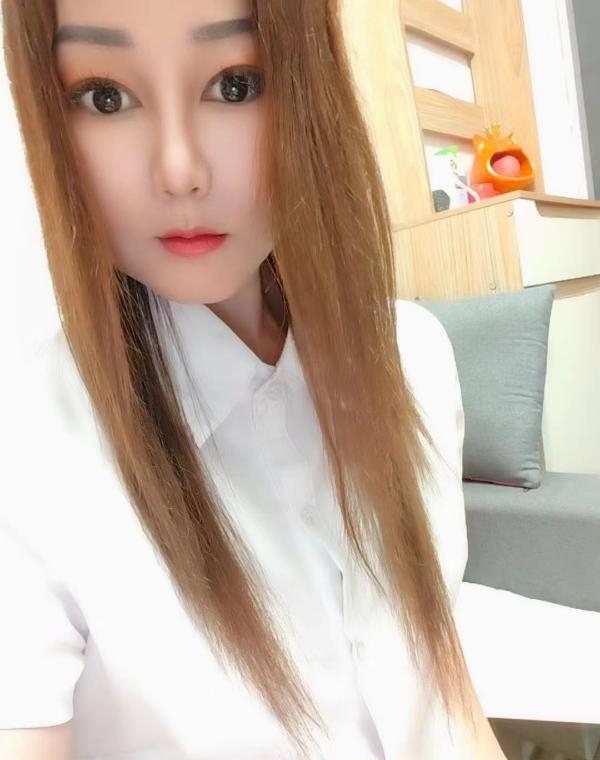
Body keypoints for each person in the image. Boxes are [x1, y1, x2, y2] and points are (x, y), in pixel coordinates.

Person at [0, 1, 508, 759]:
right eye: (105, 96)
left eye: (235, 84)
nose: (179, 170)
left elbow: (444, 688)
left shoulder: (414, 356)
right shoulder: (28, 445)